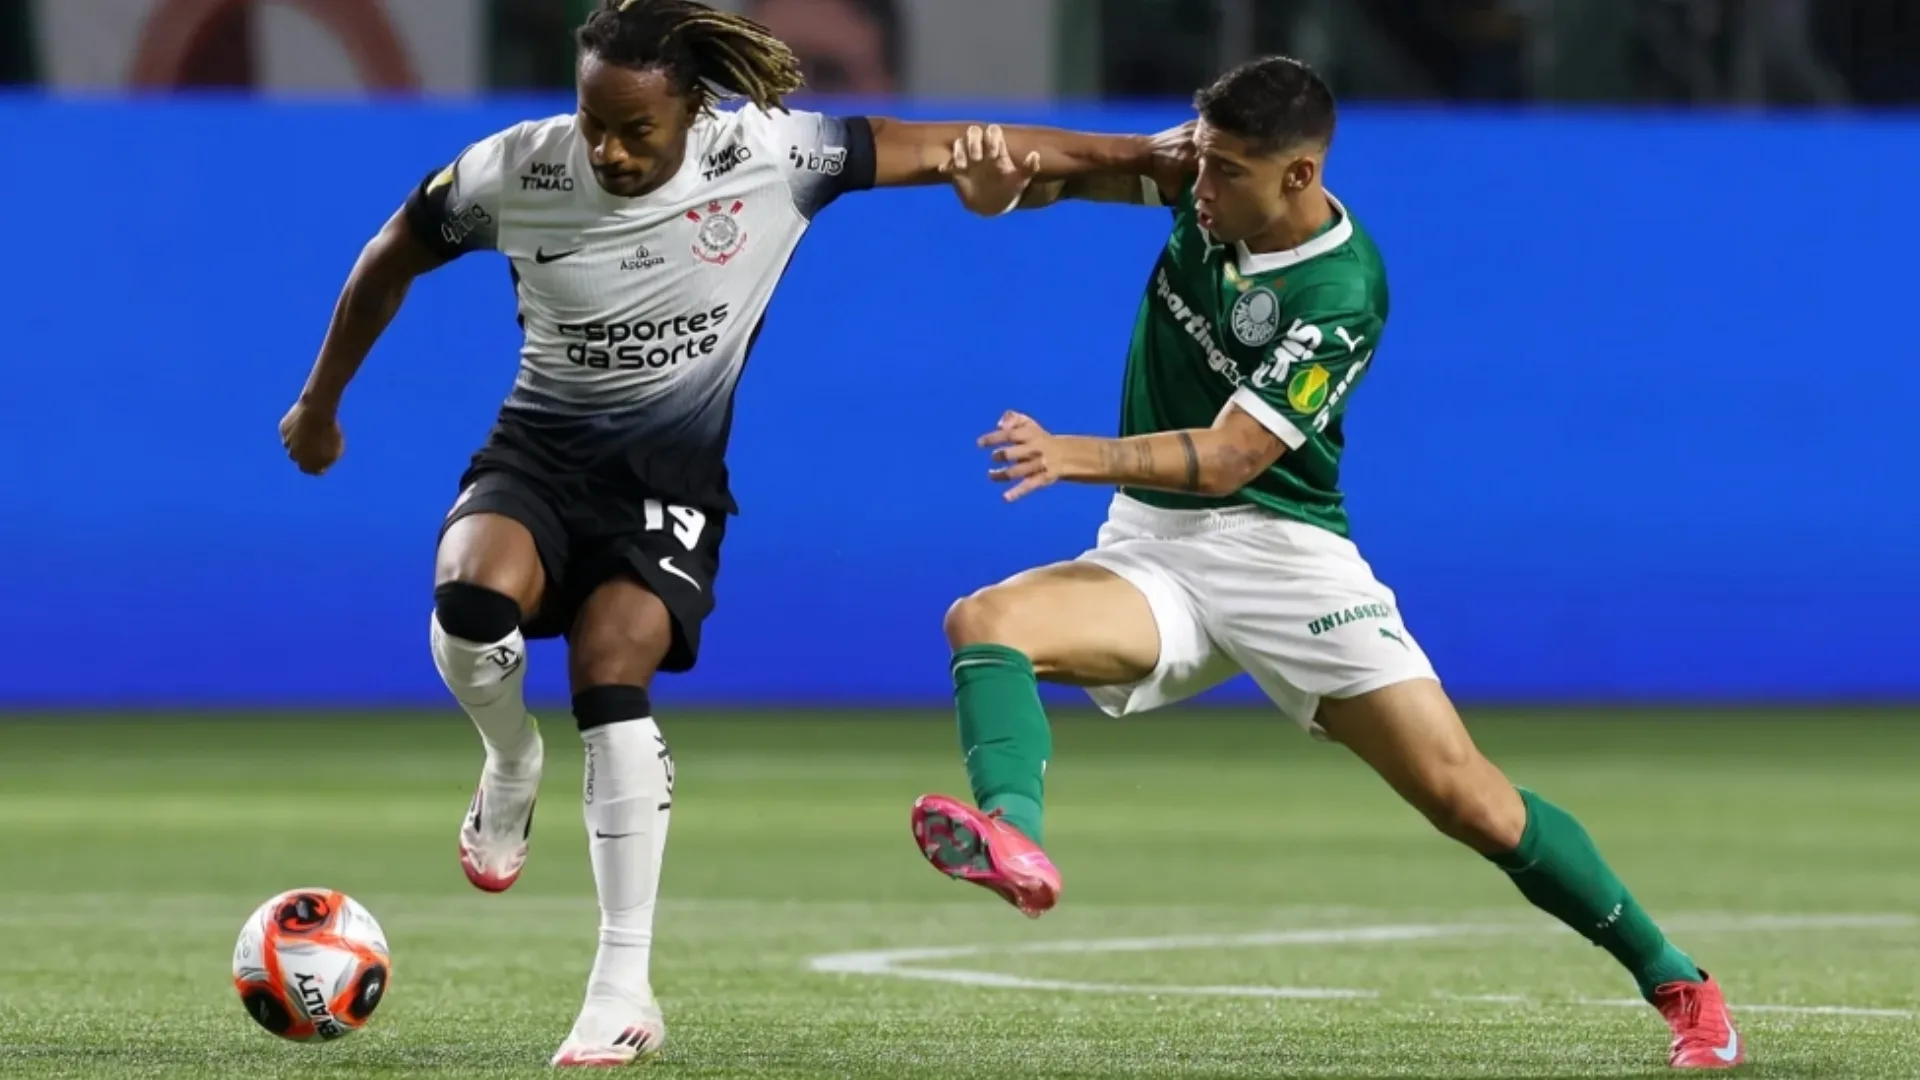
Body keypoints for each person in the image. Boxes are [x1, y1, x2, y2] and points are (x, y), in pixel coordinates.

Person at [276, 0, 1168, 1065]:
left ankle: (621, 989)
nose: (608, 148)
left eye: (636, 130)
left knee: (613, 674)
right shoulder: (514, 169)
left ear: (695, 111)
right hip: (537, 453)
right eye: (593, 120)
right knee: (469, 602)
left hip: (669, 480)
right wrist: (320, 403)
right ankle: (510, 760)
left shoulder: (777, 154)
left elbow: (952, 150)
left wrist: (1151, 156)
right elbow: (393, 252)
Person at [910, 56, 1747, 1071]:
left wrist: (1076, 452)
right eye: (1197, 158)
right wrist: (1004, 192)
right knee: (985, 621)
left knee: (1466, 798)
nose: (1197, 184)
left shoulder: (1343, 289)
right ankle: (1014, 838)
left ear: (1299, 177)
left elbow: (1230, 459)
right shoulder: (1201, 181)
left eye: (1223, 172)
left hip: (1285, 556)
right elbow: (1066, 169)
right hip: (1154, 548)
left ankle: (1680, 984)